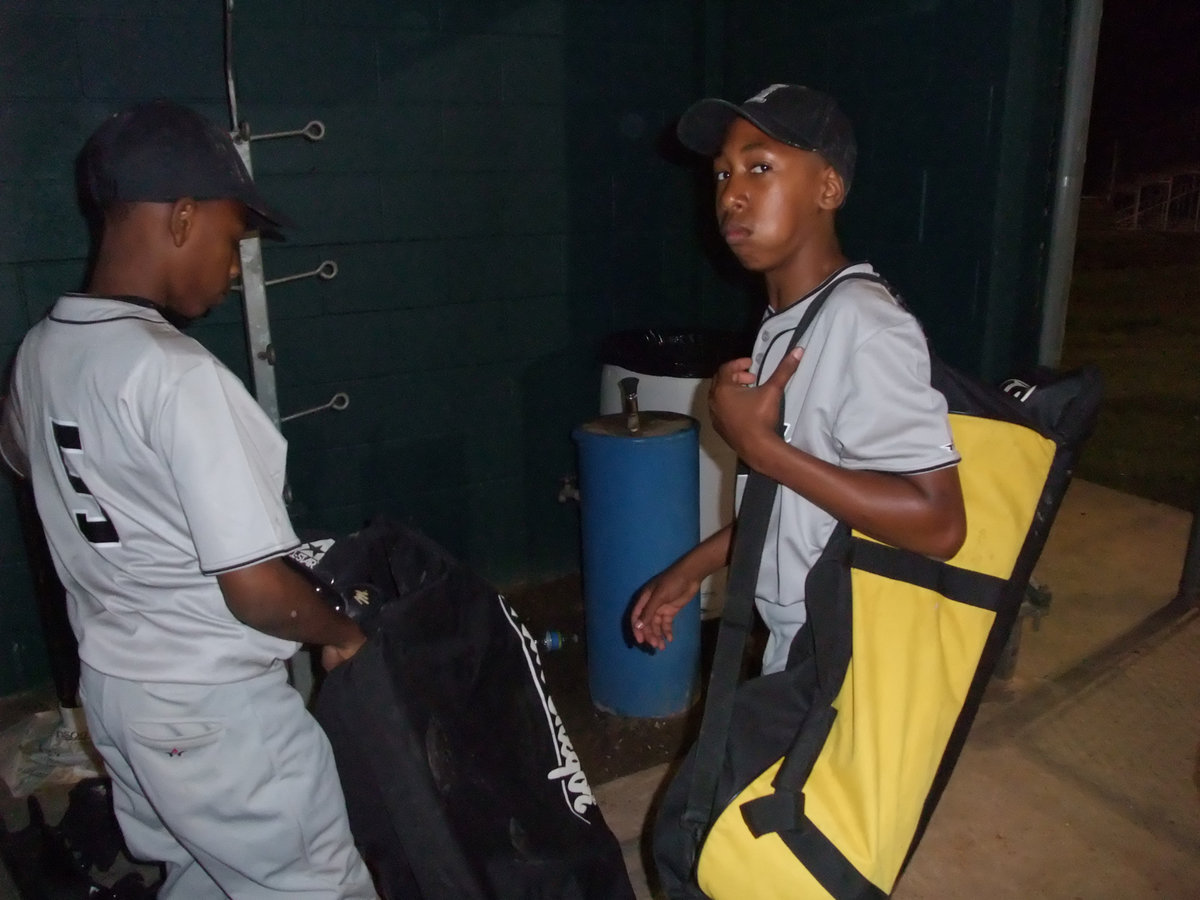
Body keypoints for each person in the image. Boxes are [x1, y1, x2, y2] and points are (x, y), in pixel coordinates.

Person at [0, 100, 376, 899]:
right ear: (180, 218)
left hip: (120, 701)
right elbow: (255, 590)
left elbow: (20, 453)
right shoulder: (178, 376)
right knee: (318, 885)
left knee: (206, 877)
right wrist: (341, 633)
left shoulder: (40, 350)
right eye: (231, 238)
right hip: (216, 715)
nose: (234, 266)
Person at [631, 84, 967, 676]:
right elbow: (798, 499)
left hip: (852, 657)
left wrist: (759, 446)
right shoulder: (783, 326)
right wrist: (693, 567)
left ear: (828, 188)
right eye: (722, 175)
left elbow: (940, 525)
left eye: (760, 167)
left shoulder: (863, 322)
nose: (732, 194)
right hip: (802, 643)